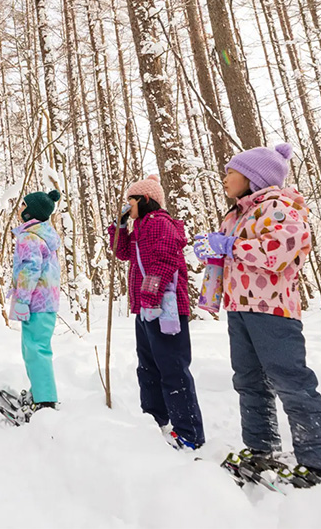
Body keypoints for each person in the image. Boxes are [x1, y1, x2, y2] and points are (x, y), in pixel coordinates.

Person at [193, 143, 321, 486]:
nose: (225, 178)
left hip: (272, 309)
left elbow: (281, 252)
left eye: (231, 171)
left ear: (252, 176)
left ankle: (320, 460)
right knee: (248, 380)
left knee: (291, 380)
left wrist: (231, 246)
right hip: (240, 307)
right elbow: (233, 255)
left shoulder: (278, 207)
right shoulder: (236, 214)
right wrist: (213, 250)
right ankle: (261, 448)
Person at [107, 175, 204, 450]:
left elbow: (164, 261)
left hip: (166, 308)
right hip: (146, 309)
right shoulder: (140, 226)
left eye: (131, 201)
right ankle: (154, 420)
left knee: (172, 368)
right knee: (147, 366)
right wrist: (119, 226)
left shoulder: (160, 223)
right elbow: (122, 252)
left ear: (145, 200)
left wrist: (150, 296)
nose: (128, 206)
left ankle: (189, 433)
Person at [6, 189, 62, 421]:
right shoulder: (43, 234)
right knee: (32, 349)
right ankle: (38, 392)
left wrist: (22, 300)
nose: (20, 209)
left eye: (23, 206)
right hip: (45, 301)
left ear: (31, 213)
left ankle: (45, 401)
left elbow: (29, 270)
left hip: (36, 302)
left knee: (36, 350)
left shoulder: (30, 237)